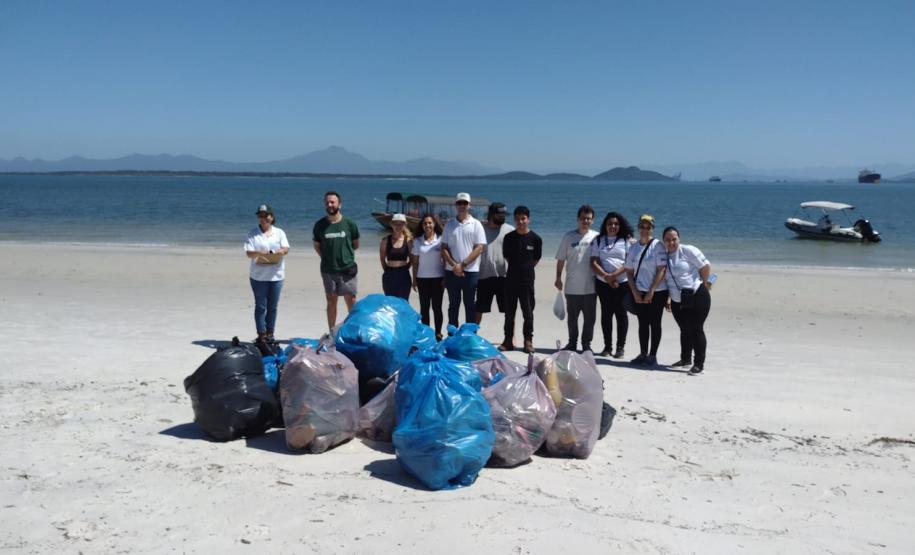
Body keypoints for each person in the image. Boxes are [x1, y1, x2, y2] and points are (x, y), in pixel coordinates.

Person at [659, 226, 712, 375]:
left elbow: (705, 266)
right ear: (664, 241)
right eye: (667, 240)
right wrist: (669, 298)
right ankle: (685, 359)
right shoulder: (664, 256)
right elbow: (668, 280)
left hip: (697, 295)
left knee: (696, 329)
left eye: (674, 239)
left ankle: (699, 364)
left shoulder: (688, 250)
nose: (671, 242)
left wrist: (703, 283)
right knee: (684, 329)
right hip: (677, 300)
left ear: (679, 239)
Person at [624, 214, 668, 367]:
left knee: (655, 323)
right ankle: (643, 353)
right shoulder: (634, 247)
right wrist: (635, 292)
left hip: (658, 292)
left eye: (648, 227)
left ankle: (652, 355)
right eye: (642, 226)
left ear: (652, 229)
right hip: (639, 291)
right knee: (642, 323)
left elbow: (662, 270)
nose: (644, 229)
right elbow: (629, 271)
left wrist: (652, 291)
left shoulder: (658, 246)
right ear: (638, 228)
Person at [244, 204, 290, 348]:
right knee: (260, 306)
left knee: (273, 306)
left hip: (276, 275)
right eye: (261, 216)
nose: (263, 218)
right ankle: (261, 334)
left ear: (272, 216)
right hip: (258, 276)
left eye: (266, 215)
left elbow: (286, 248)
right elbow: (248, 252)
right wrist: (261, 254)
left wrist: (280, 252)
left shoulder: (279, 232)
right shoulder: (253, 233)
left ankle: (270, 333)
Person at [313, 191, 360, 331]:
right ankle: (332, 332)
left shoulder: (350, 224)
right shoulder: (320, 225)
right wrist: (328, 257)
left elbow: (355, 244)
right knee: (331, 300)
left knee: (351, 300)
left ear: (340, 204)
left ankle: (352, 331)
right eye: (327, 202)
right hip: (328, 270)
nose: (330, 205)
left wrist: (344, 256)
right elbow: (317, 246)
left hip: (348, 269)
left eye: (332, 202)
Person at [590, 211, 634, 358]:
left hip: (622, 283)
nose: (613, 226)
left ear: (620, 225)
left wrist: (614, 276)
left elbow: (629, 262)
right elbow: (594, 262)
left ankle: (620, 347)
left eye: (615, 224)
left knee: (621, 314)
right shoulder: (598, 240)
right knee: (606, 314)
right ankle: (607, 347)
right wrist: (606, 277)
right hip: (603, 283)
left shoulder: (626, 240)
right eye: (610, 224)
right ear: (605, 225)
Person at [555, 205, 599, 352]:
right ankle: (572, 343)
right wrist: (558, 277)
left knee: (589, 319)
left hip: (590, 287)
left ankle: (586, 344)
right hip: (572, 286)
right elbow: (561, 259)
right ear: (578, 219)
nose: (585, 221)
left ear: (592, 220)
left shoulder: (597, 237)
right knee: (572, 319)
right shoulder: (568, 237)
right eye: (583, 218)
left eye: (588, 218)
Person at [500, 206, 542, 353]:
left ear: (528, 219)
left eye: (523, 218)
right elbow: (507, 257)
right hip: (511, 280)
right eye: (517, 219)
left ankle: (528, 341)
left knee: (528, 313)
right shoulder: (509, 238)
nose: (520, 222)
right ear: (515, 220)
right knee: (509, 313)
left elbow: (536, 259)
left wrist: (526, 269)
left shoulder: (536, 239)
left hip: (527, 281)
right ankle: (507, 340)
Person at [441, 192, 486, 328]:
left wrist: (463, 264)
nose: (462, 206)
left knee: (470, 305)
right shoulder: (449, 225)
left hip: (471, 272)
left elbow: (479, 248)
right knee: (453, 305)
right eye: (459, 203)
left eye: (464, 203)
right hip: (452, 271)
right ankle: (452, 333)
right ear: (456, 205)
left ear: (469, 205)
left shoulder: (476, 224)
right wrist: (455, 265)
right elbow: (443, 248)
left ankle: (469, 335)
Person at [475, 202, 514, 327]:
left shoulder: (510, 230)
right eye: (499, 215)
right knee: (478, 309)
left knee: (508, 310)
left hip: (504, 276)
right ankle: (472, 334)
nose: (503, 217)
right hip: (483, 276)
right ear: (491, 215)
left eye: (504, 215)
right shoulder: (480, 229)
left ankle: (510, 337)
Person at [411, 213, 446, 340]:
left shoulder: (441, 239)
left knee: (437, 307)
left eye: (430, 223)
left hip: (438, 278)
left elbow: (446, 260)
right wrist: (414, 279)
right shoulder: (417, 241)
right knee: (424, 308)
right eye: (425, 223)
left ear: (434, 224)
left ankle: (438, 333)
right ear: (422, 225)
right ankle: (426, 334)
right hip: (422, 278)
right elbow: (415, 262)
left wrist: (445, 277)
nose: (428, 225)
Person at [379, 213, 413, 300]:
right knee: (390, 304)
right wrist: (388, 271)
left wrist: (404, 268)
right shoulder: (385, 240)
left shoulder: (408, 241)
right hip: (389, 275)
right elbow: (382, 259)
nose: (398, 226)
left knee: (403, 303)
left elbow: (412, 259)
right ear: (391, 224)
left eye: (401, 224)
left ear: (405, 225)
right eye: (395, 223)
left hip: (404, 275)